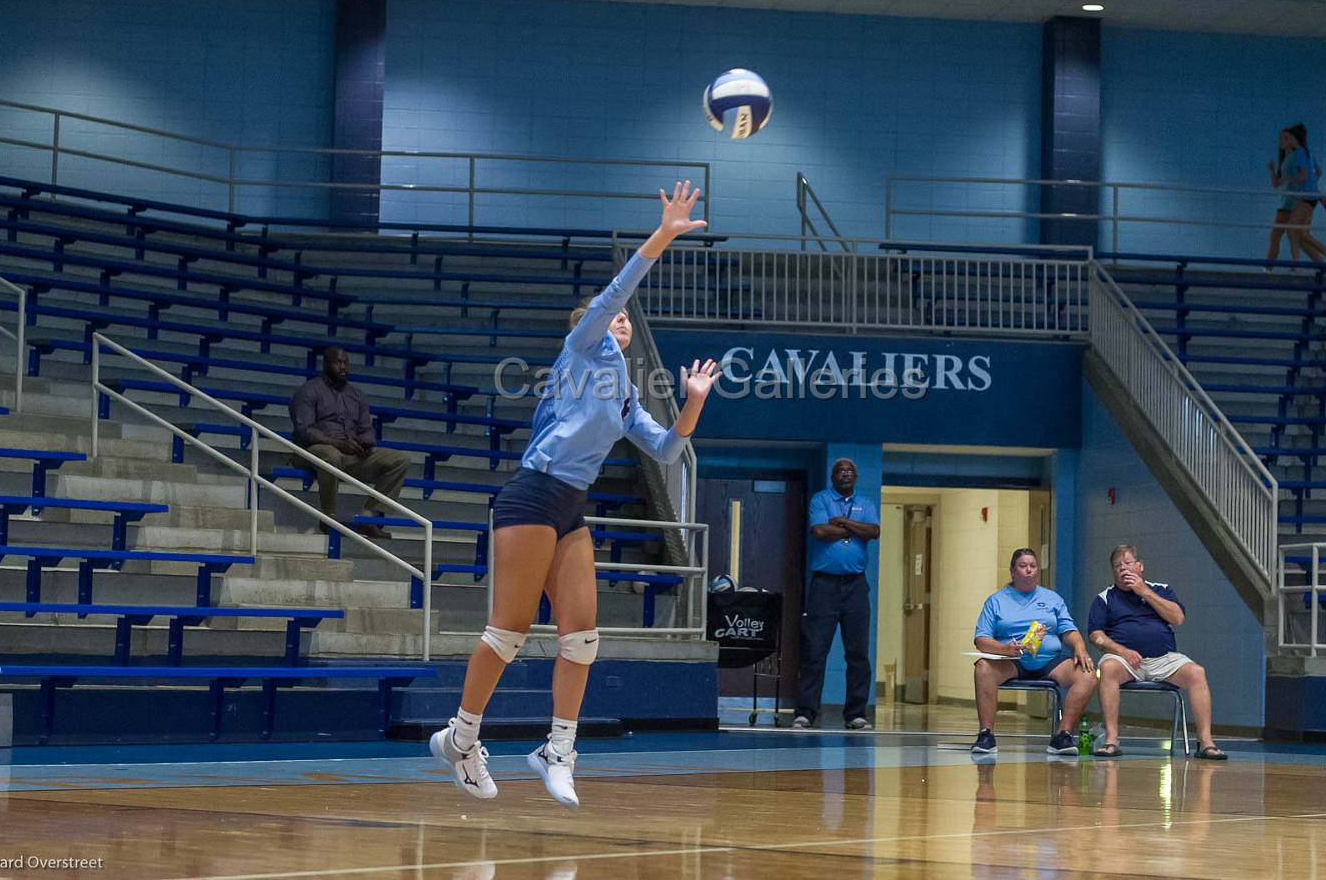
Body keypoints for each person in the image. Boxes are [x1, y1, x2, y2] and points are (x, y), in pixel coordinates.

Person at [429, 181, 721, 809]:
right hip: (533, 494)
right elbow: (619, 290)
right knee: (508, 631)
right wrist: (664, 235)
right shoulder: (581, 348)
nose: (621, 318)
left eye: (622, 320)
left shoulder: (623, 393)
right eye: (611, 315)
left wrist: (692, 406)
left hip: (568, 507)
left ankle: (557, 749)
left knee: (582, 636)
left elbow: (668, 450)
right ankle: (461, 735)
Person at [1086, 544, 1226, 759]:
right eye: (1117, 566)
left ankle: (1206, 742)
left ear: (1140, 566)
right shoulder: (1105, 598)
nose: (1123, 569)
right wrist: (1122, 651)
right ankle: (1112, 739)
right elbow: (1096, 636)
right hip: (1124, 659)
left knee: (1197, 672)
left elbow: (1177, 618)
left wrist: (1143, 592)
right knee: (1107, 668)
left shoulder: (1161, 589)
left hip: (1164, 658)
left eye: (1128, 563)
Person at [969, 548, 1096, 756]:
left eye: (1032, 566)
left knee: (1088, 674)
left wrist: (1080, 647)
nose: (1028, 570)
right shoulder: (996, 600)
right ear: (1012, 571)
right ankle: (986, 735)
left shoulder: (1052, 598)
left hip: (1050, 660)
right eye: (1023, 566)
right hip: (1012, 660)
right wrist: (1004, 649)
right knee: (983, 668)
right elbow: (981, 640)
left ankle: (1062, 735)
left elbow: (1068, 630)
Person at [792, 458, 882, 730]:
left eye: (850, 471)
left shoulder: (866, 503)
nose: (845, 474)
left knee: (857, 653)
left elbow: (874, 531)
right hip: (824, 586)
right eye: (840, 471)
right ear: (833, 476)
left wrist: (842, 521)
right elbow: (819, 531)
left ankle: (855, 714)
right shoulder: (820, 500)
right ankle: (806, 712)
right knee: (815, 651)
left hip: (855, 586)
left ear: (855, 476)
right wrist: (857, 528)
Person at [289, 346, 410, 537]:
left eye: (346, 362)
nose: (343, 367)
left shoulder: (357, 395)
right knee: (330, 455)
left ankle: (368, 516)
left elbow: (366, 429)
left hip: (350, 454)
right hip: (312, 452)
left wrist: (365, 444)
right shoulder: (308, 391)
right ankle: (328, 518)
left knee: (399, 459)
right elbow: (304, 431)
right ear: (326, 364)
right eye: (338, 362)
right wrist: (336, 443)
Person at [1265, 124, 1326, 266]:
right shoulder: (1286, 160)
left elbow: (1306, 175)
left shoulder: (1295, 156)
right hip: (1291, 202)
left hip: (1290, 204)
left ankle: (1268, 269)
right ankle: (1323, 264)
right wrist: (1272, 169)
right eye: (1280, 137)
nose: (1282, 140)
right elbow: (1276, 184)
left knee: (1276, 235)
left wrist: (1306, 188)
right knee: (1299, 238)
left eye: (1286, 137)